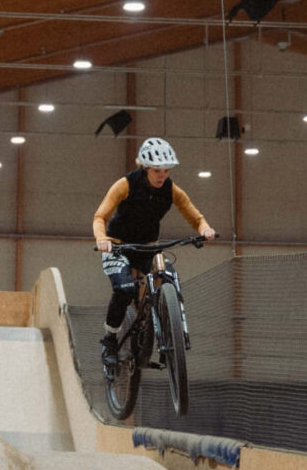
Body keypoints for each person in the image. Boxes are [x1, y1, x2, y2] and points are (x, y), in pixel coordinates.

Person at [92, 137, 216, 371]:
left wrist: (204, 229)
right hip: (119, 246)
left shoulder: (170, 190)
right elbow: (100, 216)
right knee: (125, 289)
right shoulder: (126, 184)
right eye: (157, 171)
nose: (162, 176)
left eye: (166, 171)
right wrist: (102, 239)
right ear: (146, 168)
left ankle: (167, 335)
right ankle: (109, 340)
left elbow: (194, 216)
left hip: (148, 246)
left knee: (168, 277)